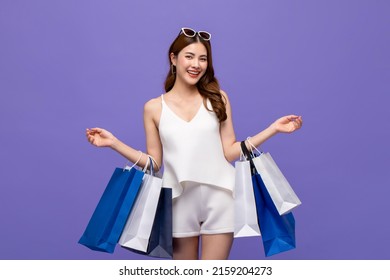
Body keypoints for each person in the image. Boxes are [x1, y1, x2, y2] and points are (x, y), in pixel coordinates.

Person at [86, 27, 303, 260]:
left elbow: (230, 151)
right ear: (173, 58)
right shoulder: (153, 107)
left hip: (222, 197)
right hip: (178, 201)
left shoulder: (218, 98)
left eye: (203, 58)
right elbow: (154, 163)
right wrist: (114, 143)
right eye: (189, 56)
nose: (196, 64)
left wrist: (273, 129)